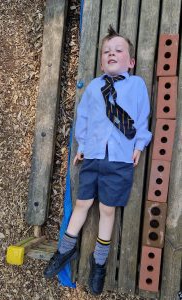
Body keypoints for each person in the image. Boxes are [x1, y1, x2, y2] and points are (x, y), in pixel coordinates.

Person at [44, 25, 152, 295]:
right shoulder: (94, 87)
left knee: (107, 210)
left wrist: (139, 144)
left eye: (118, 50)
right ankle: (65, 251)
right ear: (102, 60)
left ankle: (99, 262)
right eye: (106, 51)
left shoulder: (136, 85)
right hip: (92, 154)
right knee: (82, 203)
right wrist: (81, 144)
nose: (111, 54)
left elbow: (142, 118)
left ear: (131, 61)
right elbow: (84, 117)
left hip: (120, 159)